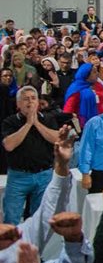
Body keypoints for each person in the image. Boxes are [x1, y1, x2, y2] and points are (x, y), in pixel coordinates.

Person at [1, 87, 63, 223]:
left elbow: (57, 139)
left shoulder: (48, 119)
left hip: (44, 175)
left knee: (39, 219)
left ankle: (34, 245)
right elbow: (9, 145)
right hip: (18, 177)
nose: (30, 102)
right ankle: (12, 245)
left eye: (33, 98)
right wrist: (28, 124)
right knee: (11, 218)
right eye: (26, 99)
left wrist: (36, 123)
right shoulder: (10, 122)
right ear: (18, 104)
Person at [62, 62, 103, 127]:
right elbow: (68, 111)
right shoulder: (76, 89)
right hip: (85, 125)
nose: (97, 73)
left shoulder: (98, 85)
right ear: (86, 75)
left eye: (97, 71)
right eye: (94, 72)